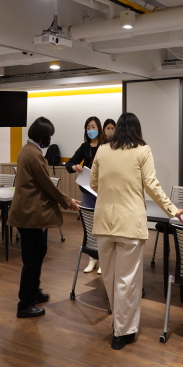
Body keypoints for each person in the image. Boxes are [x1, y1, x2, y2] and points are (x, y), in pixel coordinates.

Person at [90, 112, 183, 350]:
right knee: (127, 280)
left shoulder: (102, 150)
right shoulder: (142, 151)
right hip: (130, 225)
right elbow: (152, 185)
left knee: (110, 278)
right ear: (137, 130)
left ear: (116, 129)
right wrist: (172, 209)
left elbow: (93, 183)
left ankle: (121, 326)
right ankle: (122, 331)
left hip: (104, 224)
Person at [8, 117, 80, 318]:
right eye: (49, 136)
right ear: (42, 136)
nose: (50, 139)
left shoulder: (27, 150)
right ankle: (24, 304)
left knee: (40, 250)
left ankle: (34, 291)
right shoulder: (33, 154)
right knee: (31, 259)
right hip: (29, 215)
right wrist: (68, 201)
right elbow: (47, 184)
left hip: (29, 214)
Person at [66, 116, 106, 273]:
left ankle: (104, 259)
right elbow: (69, 163)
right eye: (88, 127)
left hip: (103, 191)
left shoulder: (106, 145)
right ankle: (92, 258)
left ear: (99, 128)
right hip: (87, 191)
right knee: (90, 225)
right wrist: (74, 167)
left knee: (103, 225)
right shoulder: (84, 147)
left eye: (93, 127)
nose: (91, 130)